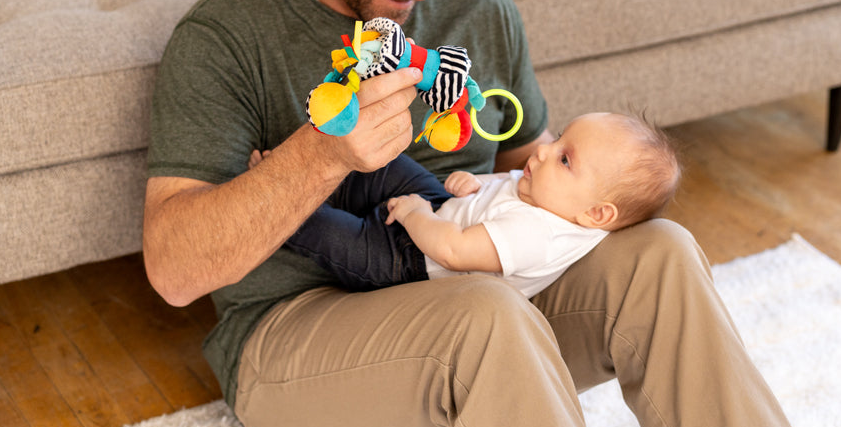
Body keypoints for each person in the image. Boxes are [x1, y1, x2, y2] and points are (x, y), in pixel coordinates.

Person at [144, 0, 797, 427]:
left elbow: (533, 172)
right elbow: (174, 273)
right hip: (298, 335)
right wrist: (325, 152)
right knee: (485, 311)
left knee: (661, 253)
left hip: (476, 307)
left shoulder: (479, 8)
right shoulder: (228, 34)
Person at [279, 112, 680, 298]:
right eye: (557, 138)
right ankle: (316, 170)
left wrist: (416, 214)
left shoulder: (537, 236)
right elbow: (501, 186)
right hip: (441, 211)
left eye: (564, 159)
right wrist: (474, 183)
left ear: (596, 214)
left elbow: (454, 251)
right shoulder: (550, 194)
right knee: (390, 165)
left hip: (413, 264)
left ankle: (282, 199)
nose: (543, 151)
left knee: (331, 233)